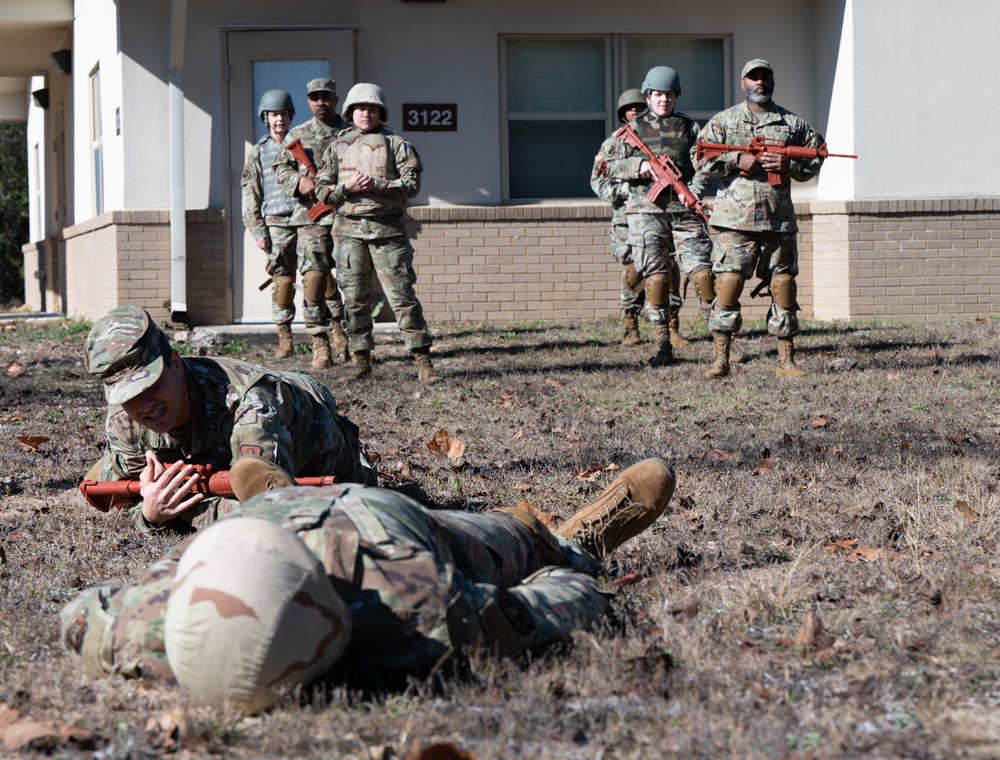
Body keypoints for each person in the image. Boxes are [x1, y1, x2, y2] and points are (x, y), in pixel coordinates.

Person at [60, 458, 676, 711]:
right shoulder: (419, 612)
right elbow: (559, 603)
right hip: (385, 529)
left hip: (253, 528)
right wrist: (573, 571)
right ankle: (575, 537)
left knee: (270, 507)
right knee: (507, 539)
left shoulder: (143, 623)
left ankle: (281, 499)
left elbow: (78, 615)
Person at [82, 305, 377, 534]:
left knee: (252, 476)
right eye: (129, 395)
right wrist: (151, 514)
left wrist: (184, 509)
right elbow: (124, 503)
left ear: (175, 363)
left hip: (316, 449)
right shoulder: (124, 420)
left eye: (151, 385)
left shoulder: (249, 404)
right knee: (100, 480)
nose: (144, 405)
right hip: (218, 459)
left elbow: (271, 515)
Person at [695, 59, 825, 378]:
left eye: (765, 77)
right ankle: (721, 358)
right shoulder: (725, 121)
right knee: (728, 284)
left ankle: (786, 361)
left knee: (783, 285)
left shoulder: (791, 123)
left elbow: (818, 154)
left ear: (773, 81)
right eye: (754, 78)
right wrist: (735, 159)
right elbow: (698, 155)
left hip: (777, 220)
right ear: (744, 83)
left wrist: (788, 166)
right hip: (735, 221)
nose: (760, 83)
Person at [312, 83, 440, 385]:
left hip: (387, 234)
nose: (365, 113)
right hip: (348, 236)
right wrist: (347, 188)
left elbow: (412, 186)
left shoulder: (397, 144)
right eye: (360, 108)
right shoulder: (337, 147)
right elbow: (321, 191)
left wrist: (378, 185)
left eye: (371, 108)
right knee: (355, 300)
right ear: (350, 112)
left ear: (380, 112)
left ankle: (423, 363)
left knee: (402, 298)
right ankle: (361, 364)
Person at [607, 66, 716, 367]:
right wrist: (638, 169)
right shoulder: (630, 131)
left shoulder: (690, 128)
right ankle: (662, 344)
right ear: (648, 95)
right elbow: (607, 167)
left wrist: (692, 190)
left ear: (676, 96)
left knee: (703, 273)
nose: (664, 100)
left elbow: (705, 165)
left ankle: (721, 343)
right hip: (647, 211)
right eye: (658, 95)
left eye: (669, 95)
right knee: (655, 276)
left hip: (684, 210)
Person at [271, 78, 349, 369]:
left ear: (336, 99)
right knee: (314, 279)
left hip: (346, 215)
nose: (321, 102)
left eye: (326, 97)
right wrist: (298, 180)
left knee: (349, 280)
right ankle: (320, 343)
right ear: (308, 102)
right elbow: (281, 167)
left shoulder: (350, 132)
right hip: (311, 218)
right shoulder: (298, 135)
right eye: (315, 98)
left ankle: (343, 332)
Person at [241, 89, 302, 359]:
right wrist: (257, 230)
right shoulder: (258, 152)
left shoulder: (303, 143)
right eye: (275, 115)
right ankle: (285, 337)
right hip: (276, 222)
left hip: (308, 218)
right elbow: (250, 193)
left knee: (318, 278)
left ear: (291, 117)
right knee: (283, 280)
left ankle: (331, 335)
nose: (280, 119)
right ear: (266, 118)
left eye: (284, 114)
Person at [591, 89, 648, 346]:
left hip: (658, 213)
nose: (635, 110)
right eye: (630, 107)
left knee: (667, 269)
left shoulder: (660, 137)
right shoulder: (613, 144)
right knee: (633, 269)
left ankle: (672, 327)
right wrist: (625, 190)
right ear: (622, 113)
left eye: (639, 106)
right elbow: (598, 181)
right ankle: (631, 326)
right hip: (627, 217)